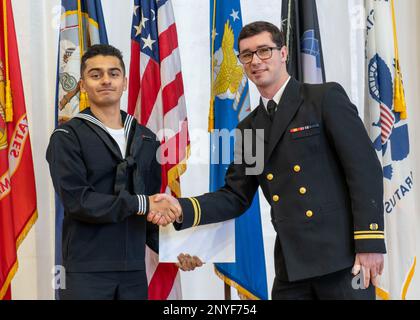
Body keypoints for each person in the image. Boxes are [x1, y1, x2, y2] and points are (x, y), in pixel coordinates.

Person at [150, 21, 386, 300]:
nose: (255, 61)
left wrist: (370, 242)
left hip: (342, 259)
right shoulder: (248, 129)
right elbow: (235, 196)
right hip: (292, 265)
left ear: (283, 53)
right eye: (247, 55)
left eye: (264, 51)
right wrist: (182, 207)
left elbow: (364, 170)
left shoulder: (322, 98)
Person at [46, 44, 201, 300]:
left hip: (133, 271)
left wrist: (175, 250)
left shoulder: (146, 138)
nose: (106, 80)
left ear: (125, 82)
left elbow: (150, 209)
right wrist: (142, 203)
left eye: (113, 73)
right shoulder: (67, 137)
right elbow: (78, 201)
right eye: (96, 75)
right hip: (87, 271)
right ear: (83, 84)